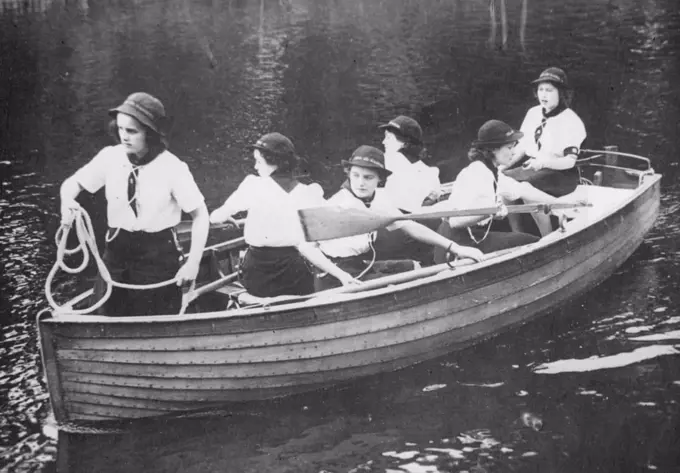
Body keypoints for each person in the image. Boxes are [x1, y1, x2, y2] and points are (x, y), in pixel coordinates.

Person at [59, 92, 210, 316]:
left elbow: (201, 216)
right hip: (116, 250)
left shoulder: (173, 168)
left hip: (157, 254)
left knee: (154, 319)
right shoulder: (110, 157)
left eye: (132, 131)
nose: (124, 137)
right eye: (120, 129)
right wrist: (67, 201)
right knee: (105, 315)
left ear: (150, 134)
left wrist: (193, 263)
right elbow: (72, 184)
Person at [209, 132, 358, 297]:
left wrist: (223, 216)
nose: (255, 167)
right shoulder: (308, 193)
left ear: (275, 163)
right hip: (294, 271)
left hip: (258, 270)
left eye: (258, 161)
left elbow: (216, 217)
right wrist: (342, 275)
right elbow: (307, 247)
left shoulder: (253, 185)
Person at [317, 145, 484, 290]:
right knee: (403, 285)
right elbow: (307, 247)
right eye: (355, 175)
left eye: (368, 177)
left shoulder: (379, 198)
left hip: (360, 264)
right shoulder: (337, 203)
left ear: (379, 179)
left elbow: (410, 226)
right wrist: (341, 275)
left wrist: (456, 248)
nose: (361, 183)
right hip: (334, 274)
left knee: (414, 267)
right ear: (349, 174)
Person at [433, 120, 563, 263]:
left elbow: (523, 190)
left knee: (527, 240)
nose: (514, 152)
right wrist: (490, 212)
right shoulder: (479, 173)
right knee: (532, 242)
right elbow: (455, 222)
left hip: (466, 236)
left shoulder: (491, 170)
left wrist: (561, 203)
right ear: (493, 149)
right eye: (509, 147)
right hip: (458, 243)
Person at [503, 67, 587, 197]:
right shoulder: (533, 113)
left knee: (526, 187)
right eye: (540, 89)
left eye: (549, 90)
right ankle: (514, 217)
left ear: (561, 92)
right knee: (503, 182)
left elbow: (570, 161)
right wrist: (502, 166)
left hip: (562, 174)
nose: (543, 95)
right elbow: (522, 147)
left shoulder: (571, 120)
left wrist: (542, 163)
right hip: (534, 168)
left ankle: (554, 217)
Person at [379, 115, 441, 212]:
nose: (383, 142)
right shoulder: (430, 173)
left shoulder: (391, 161)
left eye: (388, 137)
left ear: (405, 143)